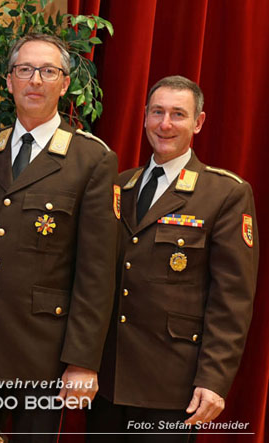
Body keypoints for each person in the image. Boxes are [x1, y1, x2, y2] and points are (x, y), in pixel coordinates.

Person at [0, 34, 118, 442]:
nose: (35, 80)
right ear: (9, 82)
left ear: (64, 83)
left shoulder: (91, 160)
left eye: (48, 71)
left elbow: (97, 273)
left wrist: (81, 362)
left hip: (44, 354)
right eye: (25, 70)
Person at [88, 75, 259, 442]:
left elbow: (232, 299)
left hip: (172, 383)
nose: (165, 124)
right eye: (157, 112)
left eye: (178, 114)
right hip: (109, 378)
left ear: (198, 122)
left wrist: (213, 380)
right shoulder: (121, 186)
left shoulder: (225, 194)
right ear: (145, 117)